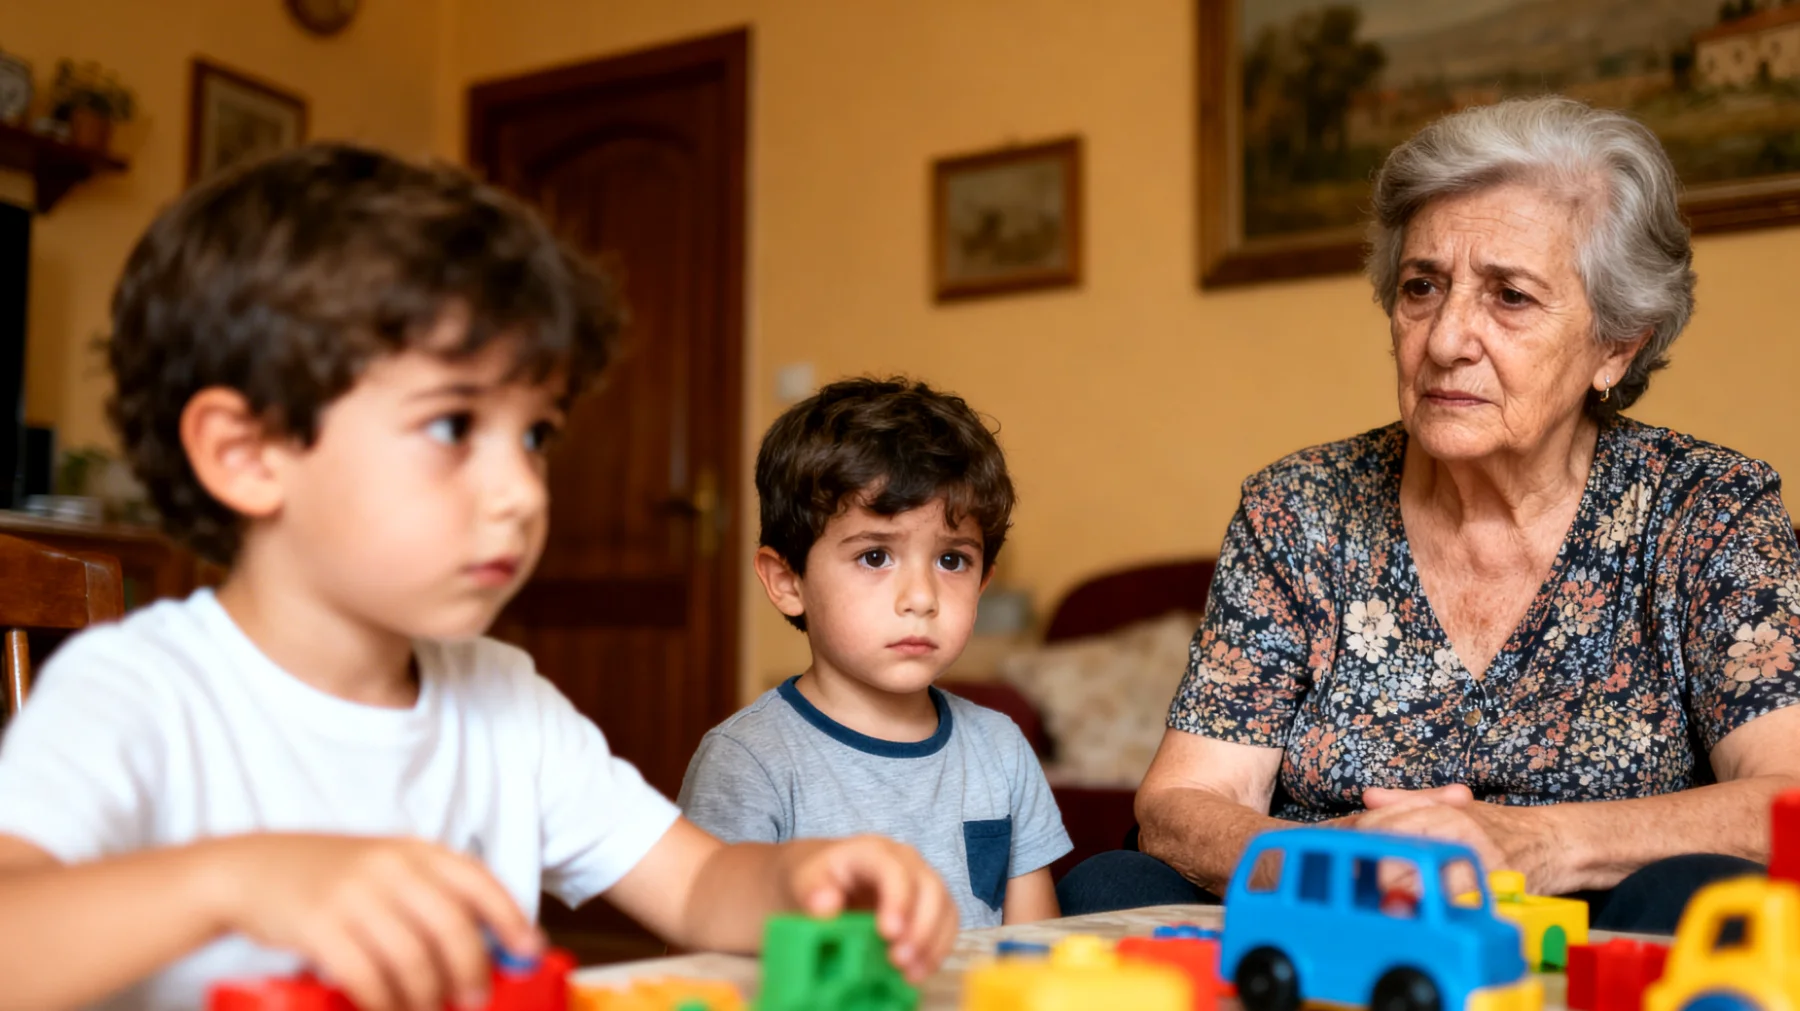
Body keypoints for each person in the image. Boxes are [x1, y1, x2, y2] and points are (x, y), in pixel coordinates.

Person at [0, 144, 957, 1011]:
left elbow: (700, 886)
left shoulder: (504, 702)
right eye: (454, 425)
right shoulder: (138, 691)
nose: (519, 490)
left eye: (534, 433)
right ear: (247, 451)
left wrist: (806, 879)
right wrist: (233, 879)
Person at [1061, 97, 1800, 932]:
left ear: (1617, 344)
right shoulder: (1298, 508)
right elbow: (1184, 800)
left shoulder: (1708, 509)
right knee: (1113, 884)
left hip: (1596, 929)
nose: (1447, 338)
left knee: (1689, 898)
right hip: (1339, 912)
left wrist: (1533, 842)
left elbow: (1787, 800)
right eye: (1422, 287)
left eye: (1510, 297)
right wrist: (1331, 858)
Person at [678, 377, 1072, 928]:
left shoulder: (1001, 751)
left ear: (983, 584)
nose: (920, 598)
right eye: (875, 556)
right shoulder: (749, 762)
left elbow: (1034, 954)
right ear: (787, 580)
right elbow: (705, 967)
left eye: (952, 561)